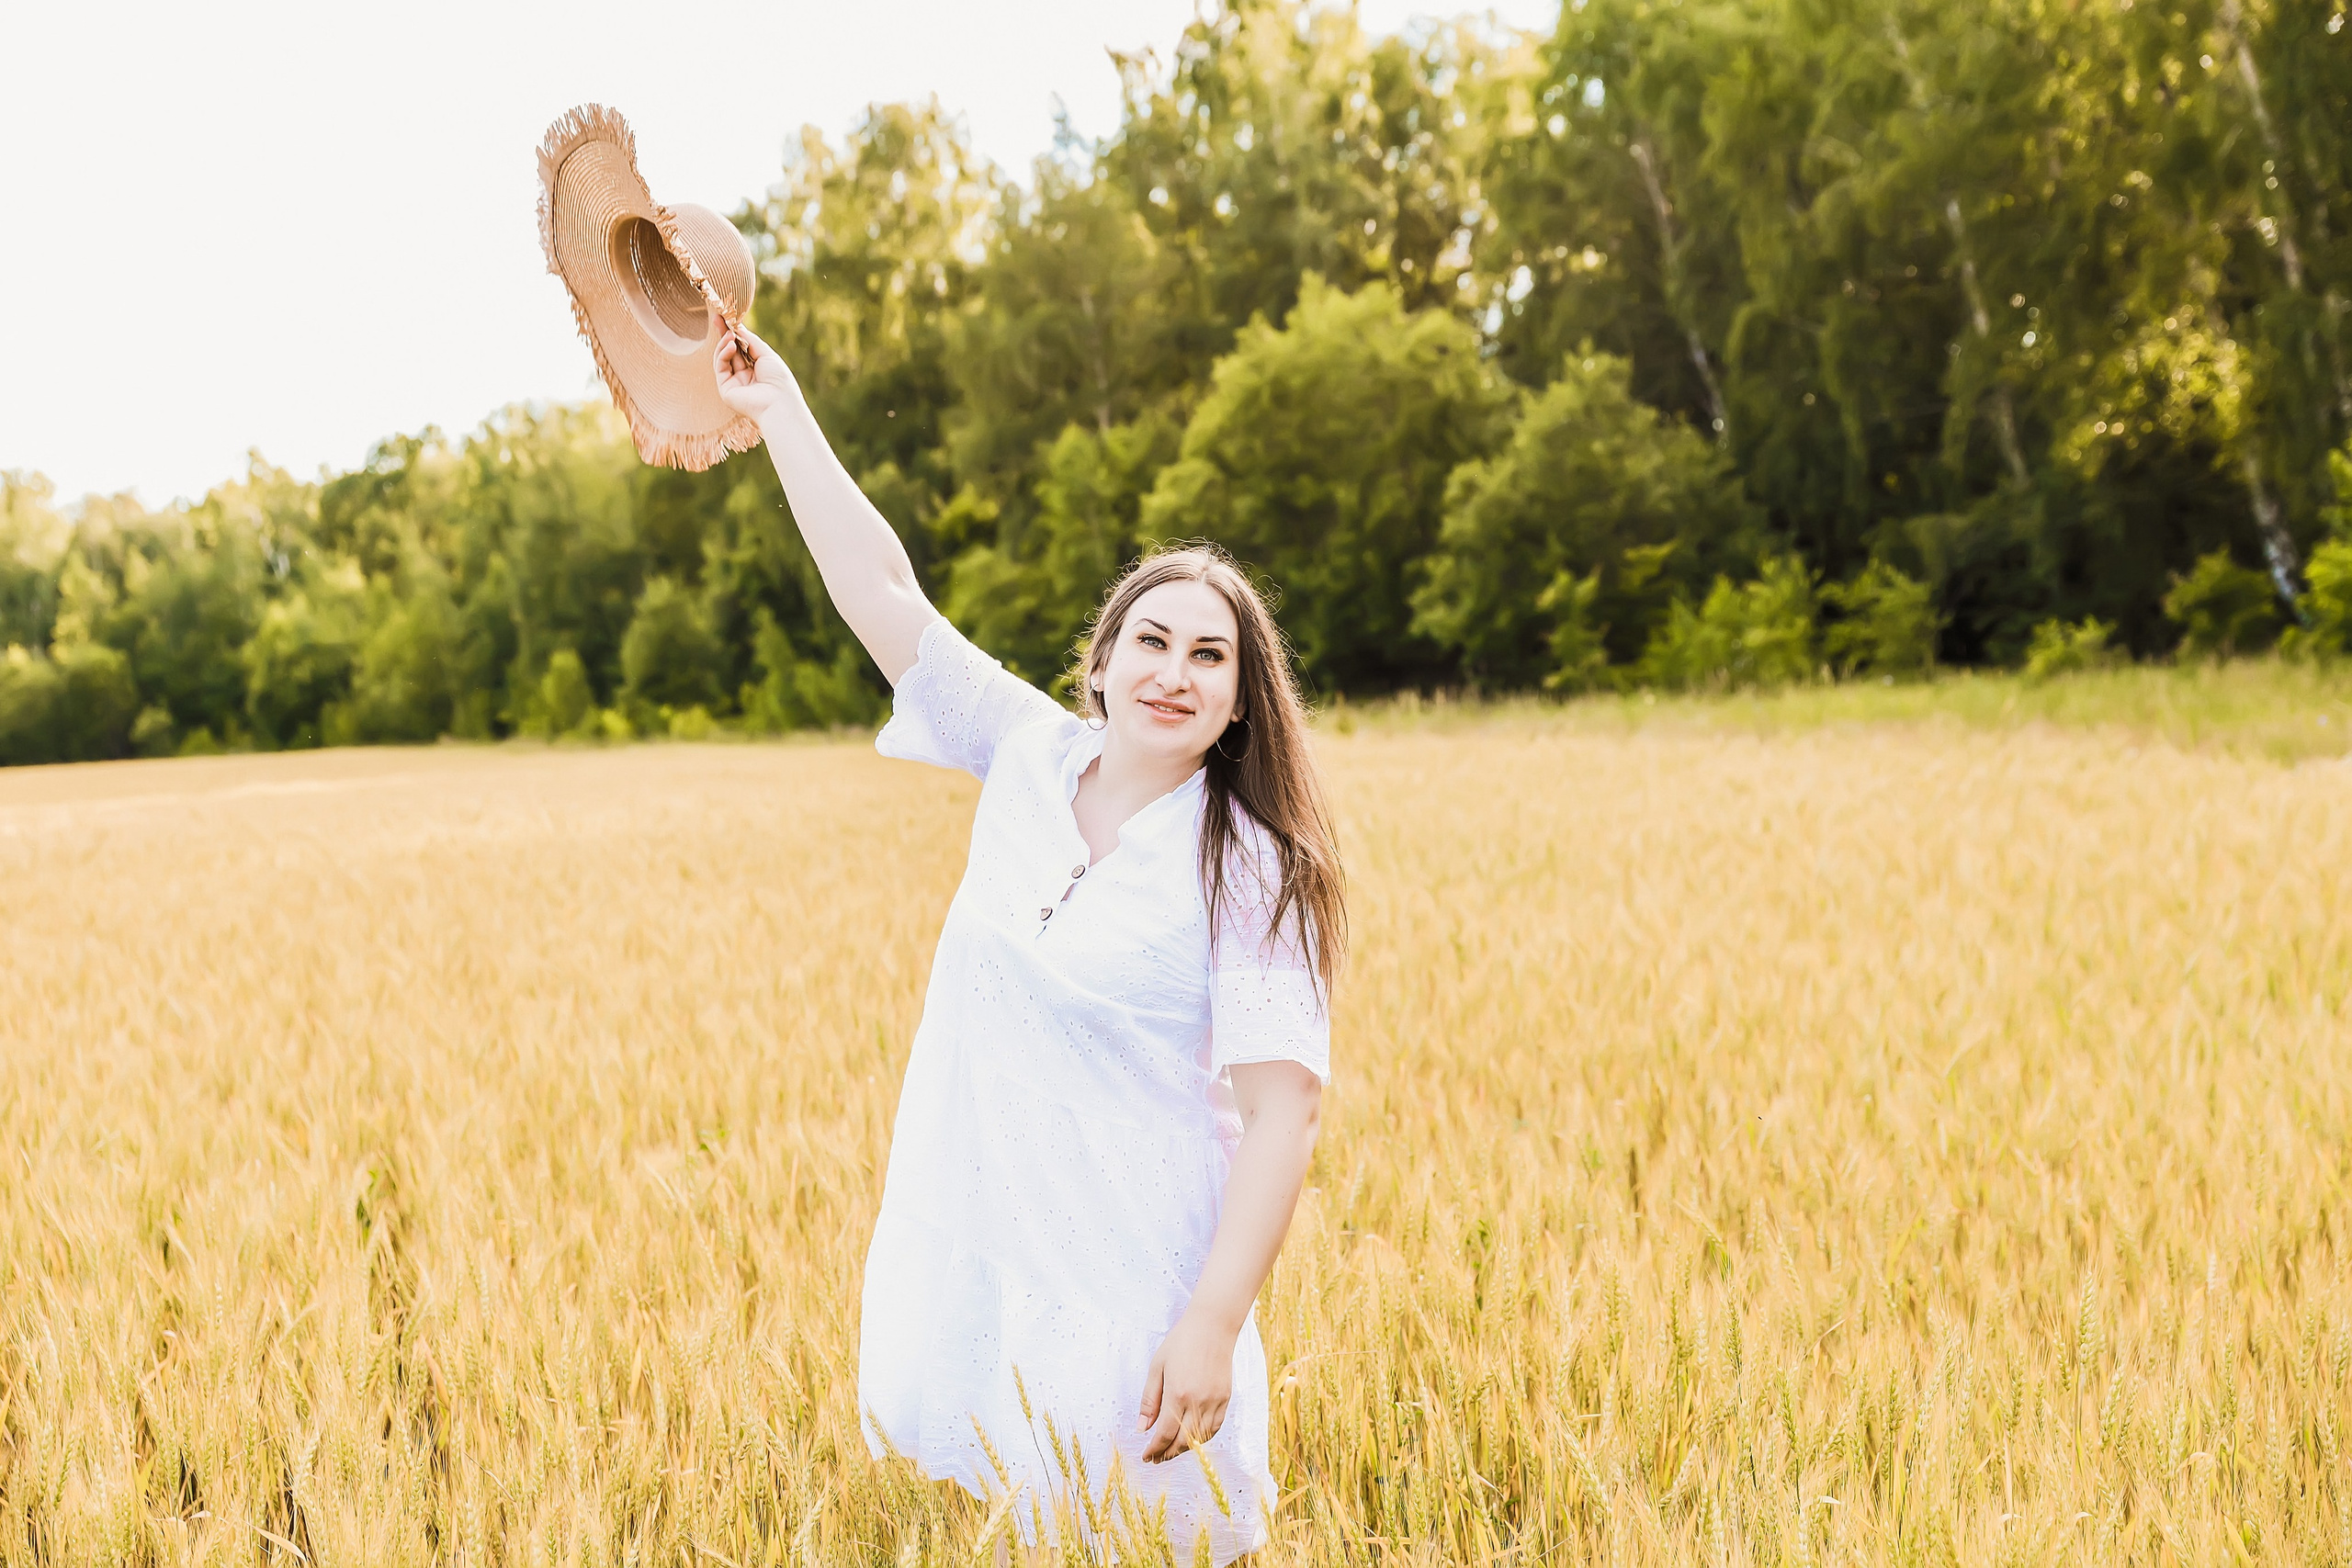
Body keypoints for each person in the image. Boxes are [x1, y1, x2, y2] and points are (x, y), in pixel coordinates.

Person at [715, 324, 1342, 1562]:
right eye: (1151, 642)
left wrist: (1213, 1324)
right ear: (1101, 664)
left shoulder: (1249, 862)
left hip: (1141, 1295)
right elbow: (884, 594)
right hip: (995, 1259)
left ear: (1235, 704)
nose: (1175, 670)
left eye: (1209, 657)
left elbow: (1286, 1115)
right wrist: (781, 407)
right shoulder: (1024, 753)